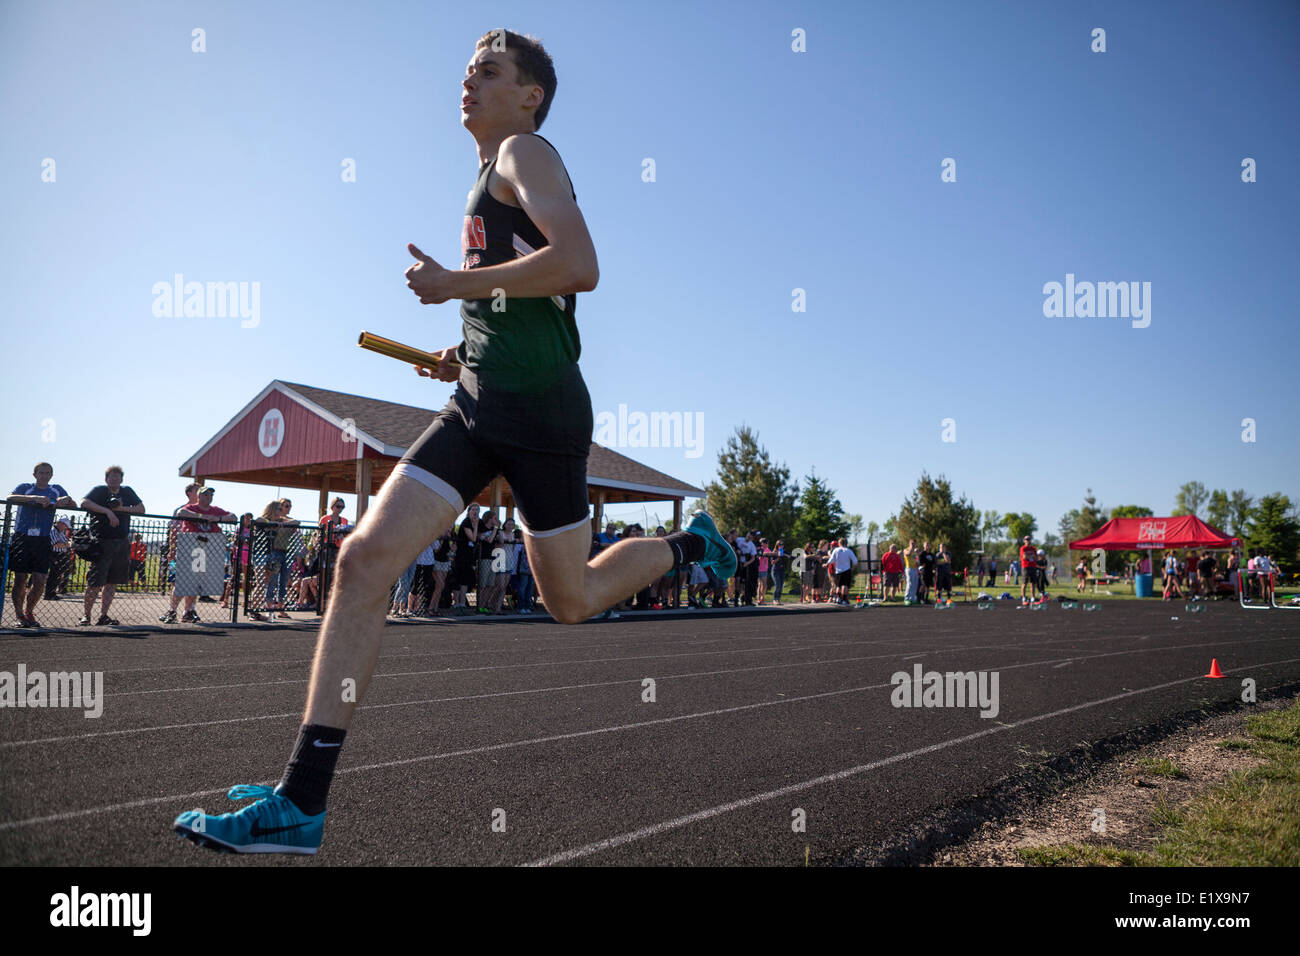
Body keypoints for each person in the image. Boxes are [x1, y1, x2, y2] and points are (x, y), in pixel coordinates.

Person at [173, 29, 736, 854]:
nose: (467, 81)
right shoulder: (484, 174)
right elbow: (524, 294)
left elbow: (579, 264)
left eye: (489, 71)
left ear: (530, 94)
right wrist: (464, 344)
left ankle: (691, 544)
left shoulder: (525, 151)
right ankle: (302, 800)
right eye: (467, 70)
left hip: (545, 416)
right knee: (364, 560)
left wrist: (452, 287)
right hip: (478, 403)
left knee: (571, 600)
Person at [7, 462, 76, 627]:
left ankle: (29, 611)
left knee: (39, 579)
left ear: (51, 475)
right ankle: (19, 615)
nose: (44, 475)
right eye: (41, 472)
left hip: (43, 539)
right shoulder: (25, 487)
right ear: (34, 474)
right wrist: (34, 498)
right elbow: (10, 497)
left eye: (47, 472)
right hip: (22, 537)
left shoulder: (56, 489)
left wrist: (65, 500)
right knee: (20, 578)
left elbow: (73, 504)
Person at [78, 465, 145, 626]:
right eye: (111, 477)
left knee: (112, 582)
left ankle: (104, 615)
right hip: (102, 541)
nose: (114, 479)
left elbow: (141, 509)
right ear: (106, 479)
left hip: (121, 541)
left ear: (121, 479)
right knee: (94, 581)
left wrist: (121, 508)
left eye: (117, 477)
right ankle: (86, 615)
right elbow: (84, 503)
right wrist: (108, 511)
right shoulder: (100, 491)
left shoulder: (127, 491)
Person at [162, 485, 234, 624]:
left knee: (196, 582)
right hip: (191, 547)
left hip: (209, 547)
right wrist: (202, 517)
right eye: (206, 495)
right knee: (183, 581)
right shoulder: (191, 507)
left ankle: (189, 611)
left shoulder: (216, 510)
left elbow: (233, 517)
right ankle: (171, 610)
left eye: (211, 495)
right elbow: (181, 513)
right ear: (199, 496)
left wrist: (216, 519)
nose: (209, 497)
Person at [45, 516, 74, 601]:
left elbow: (66, 541)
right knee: (53, 575)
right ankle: (49, 594)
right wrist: (67, 544)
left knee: (57, 575)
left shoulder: (60, 532)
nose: (66, 528)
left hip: (61, 554)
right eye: (65, 525)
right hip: (54, 554)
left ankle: (52, 593)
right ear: (60, 524)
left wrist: (67, 543)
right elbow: (56, 544)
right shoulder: (53, 531)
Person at [827, 539, 858, 606]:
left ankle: (838, 598)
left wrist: (826, 564)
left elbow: (832, 559)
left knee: (838, 585)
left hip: (838, 570)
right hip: (846, 570)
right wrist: (852, 568)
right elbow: (855, 561)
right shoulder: (848, 551)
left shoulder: (836, 550)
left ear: (839, 543)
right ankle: (844, 599)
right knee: (845, 585)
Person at [1018, 535, 1037, 604]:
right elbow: (1024, 557)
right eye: (1026, 540)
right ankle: (1023, 597)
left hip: (1033, 566)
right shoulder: (1023, 548)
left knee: (1032, 583)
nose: (1028, 541)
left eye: (1029, 540)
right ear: (1024, 541)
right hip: (1025, 566)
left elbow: (1035, 557)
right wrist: (1030, 556)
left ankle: (1032, 597)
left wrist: (1030, 556)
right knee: (1024, 583)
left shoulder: (1033, 548)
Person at [903, 539, 920, 605]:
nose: (913, 545)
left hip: (915, 569)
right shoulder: (906, 550)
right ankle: (906, 599)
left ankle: (912, 598)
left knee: (915, 584)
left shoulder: (915, 552)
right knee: (909, 584)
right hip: (909, 568)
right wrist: (912, 549)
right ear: (909, 543)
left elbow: (917, 561)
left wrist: (918, 562)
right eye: (912, 543)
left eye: (914, 543)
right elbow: (908, 554)